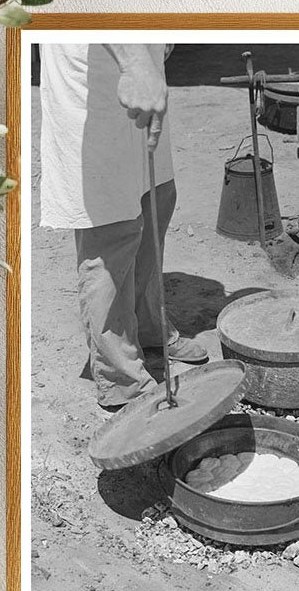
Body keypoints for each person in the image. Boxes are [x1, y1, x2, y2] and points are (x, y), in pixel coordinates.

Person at [39, 43, 207, 411]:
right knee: (111, 228)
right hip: (93, 82)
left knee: (157, 199)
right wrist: (134, 65)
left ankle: (147, 328)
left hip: (140, 68)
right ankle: (121, 379)